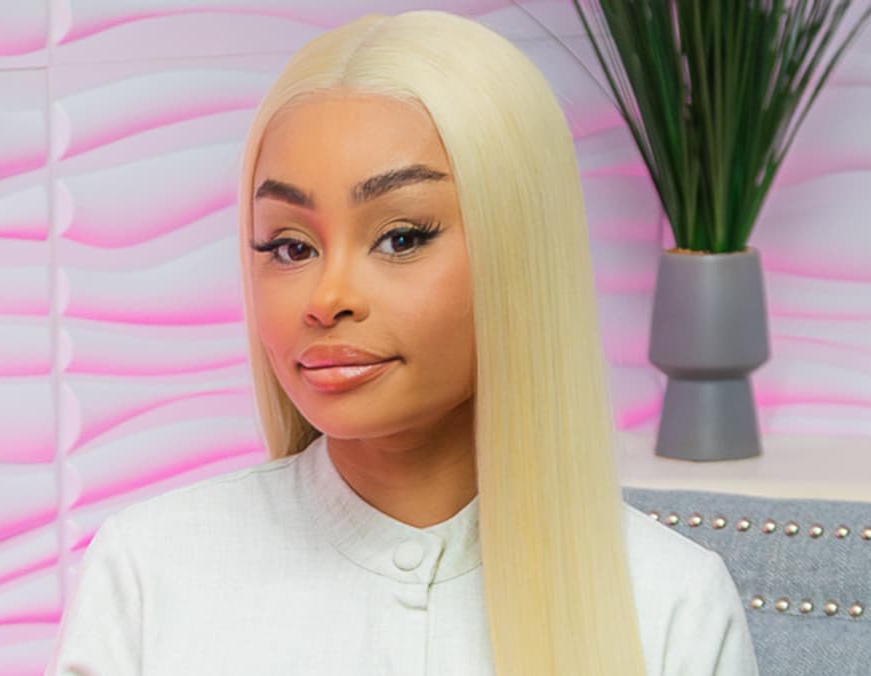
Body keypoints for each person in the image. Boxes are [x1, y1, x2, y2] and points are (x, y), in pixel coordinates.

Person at [48, 10, 759, 676]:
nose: (327, 299)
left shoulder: (670, 605)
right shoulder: (151, 572)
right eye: (291, 247)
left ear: (519, 251)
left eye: (400, 238)